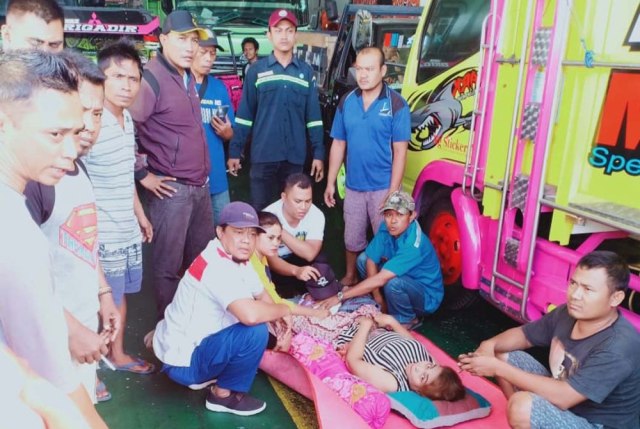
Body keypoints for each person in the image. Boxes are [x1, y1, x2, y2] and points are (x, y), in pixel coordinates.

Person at [0, 49, 106, 428]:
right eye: (55, 134)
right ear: (4, 123)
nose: (71, 150)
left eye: (75, 133)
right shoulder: (15, 233)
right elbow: (56, 383)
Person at [24, 50, 122, 404]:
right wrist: (71, 331)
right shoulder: (36, 181)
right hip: (46, 342)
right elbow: (18, 278)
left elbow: (81, 242)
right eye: (82, 111)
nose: (90, 125)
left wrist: (103, 295)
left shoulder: (78, 168)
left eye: (98, 113)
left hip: (81, 334)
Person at [458, 251, 640, 429]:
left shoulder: (618, 346)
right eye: (573, 283)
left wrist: (497, 368)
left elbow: (564, 396)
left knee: (523, 407)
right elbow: (524, 335)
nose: (575, 295)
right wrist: (489, 345)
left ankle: (525, 418)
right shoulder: (567, 313)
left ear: (616, 298)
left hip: (594, 422)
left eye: (588, 289)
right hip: (567, 397)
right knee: (500, 353)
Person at [153, 201, 292, 416]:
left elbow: (262, 295)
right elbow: (251, 315)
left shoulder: (235, 256)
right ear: (220, 231)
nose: (246, 241)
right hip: (184, 363)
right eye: (238, 232)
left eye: (252, 234)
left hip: (182, 344)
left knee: (265, 328)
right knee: (255, 332)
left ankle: (205, 369)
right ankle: (222, 396)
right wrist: (285, 311)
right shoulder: (217, 266)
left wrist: (282, 326)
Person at [129, 10, 215, 318]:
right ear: (163, 39)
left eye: (194, 40)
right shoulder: (151, 78)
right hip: (172, 190)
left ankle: (197, 323)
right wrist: (143, 175)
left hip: (199, 187)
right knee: (167, 268)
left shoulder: (186, 74)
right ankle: (168, 336)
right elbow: (127, 127)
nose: (190, 47)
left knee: (202, 262)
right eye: (182, 39)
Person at [83, 39, 155, 375]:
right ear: (100, 79)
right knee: (95, 302)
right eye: (117, 76)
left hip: (125, 230)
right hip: (100, 235)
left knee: (120, 295)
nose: (127, 85)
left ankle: (117, 354)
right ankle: (90, 368)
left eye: (133, 78)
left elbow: (127, 177)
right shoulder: (90, 125)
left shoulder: (127, 121)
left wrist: (140, 216)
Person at [324, 46, 410, 286]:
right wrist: (330, 181)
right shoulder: (347, 102)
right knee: (352, 238)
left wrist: (393, 192)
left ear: (383, 71)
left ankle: (386, 287)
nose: (363, 75)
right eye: (359, 69)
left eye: (369, 69)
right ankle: (351, 276)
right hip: (353, 186)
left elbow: (401, 151)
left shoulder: (396, 104)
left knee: (386, 240)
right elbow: (338, 143)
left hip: (383, 187)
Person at [228, 8, 325, 210]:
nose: (284, 35)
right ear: (269, 35)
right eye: (278, 30)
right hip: (263, 156)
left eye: (289, 30)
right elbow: (245, 115)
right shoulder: (256, 71)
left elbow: (313, 118)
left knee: (292, 212)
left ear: (295, 35)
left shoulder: (305, 72)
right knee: (262, 212)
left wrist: (318, 154)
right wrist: (235, 151)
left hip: (295, 158)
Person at [319, 191, 443, 329]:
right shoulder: (387, 227)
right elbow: (371, 259)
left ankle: (407, 319)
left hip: (426, 297)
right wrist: (377, 296)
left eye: (400, 214)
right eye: (389, 214)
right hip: (401, 277)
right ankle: (384, 300)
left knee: (393, 283)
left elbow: (381, 279)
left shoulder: (413, 244)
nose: (393, 221)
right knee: (363, 259)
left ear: (412, 215)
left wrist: (340, 296)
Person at [336, 313, 465, 400]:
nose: (419, 367)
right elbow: (412, 343)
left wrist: (365, 325)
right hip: (376, 326)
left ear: (420, 392)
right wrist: (391, 322)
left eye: (422, 377)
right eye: (429, 366)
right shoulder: (430, 365)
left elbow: (353, 361)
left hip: (352, 334)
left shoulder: (393, 382)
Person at [192, 31, 235, 226]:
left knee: (224, 230)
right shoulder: (178, 84)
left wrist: (227, 133)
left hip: (216, 176)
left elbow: (229, 130)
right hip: (187, 179)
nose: (209, 58)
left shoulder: (219, 88)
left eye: (212, 53)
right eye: (203, 52)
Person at [251, 211, 329, 318]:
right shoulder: (252, 263)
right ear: (254, 236)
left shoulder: (262, 256)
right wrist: (316, 313)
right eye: (270, 238)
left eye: (278, 238)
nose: (276, 243)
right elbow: (275, 302)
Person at [264, 173, 326, 299]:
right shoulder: (269, 215)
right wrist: (296, 271)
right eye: (298, 201)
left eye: (308, 201)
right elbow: (272, 261)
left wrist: (280, 230)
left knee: (321, 266)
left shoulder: (316, 214)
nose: (303, 207)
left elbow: (310, 254)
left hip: (302, 258)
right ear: (284, 197)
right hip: (278, 263)